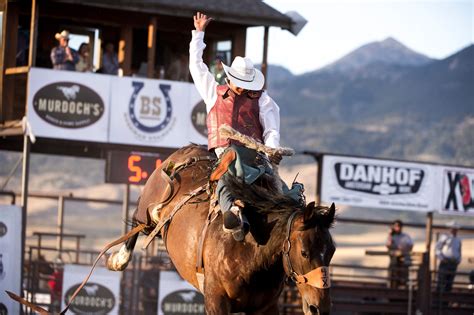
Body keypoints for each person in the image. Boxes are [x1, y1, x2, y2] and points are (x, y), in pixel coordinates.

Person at [189, 12, 282, 241]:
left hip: (256, 156)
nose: (241, 88)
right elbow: (197, 66)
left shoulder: (262, 99)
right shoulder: (214, 92)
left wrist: (271, 151)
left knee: (280, 191)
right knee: (228, 171)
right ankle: (232, 210)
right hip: (226, 153)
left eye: (245, 84)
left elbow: (271, 130)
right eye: (238, 83)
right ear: (229, 78)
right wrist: (199, 34)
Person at [386, 220, 413, 288]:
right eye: (396, 226)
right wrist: (390, 235)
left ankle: (403, 287)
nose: (398, 228)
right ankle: (392, 287)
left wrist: (402, 248)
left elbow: (410, 245)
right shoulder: (392, 236)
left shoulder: (405, 236)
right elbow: (388, 245)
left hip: (403, 259)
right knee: (393, 274)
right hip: (394, 260)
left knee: (403, 276)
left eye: (399, 226)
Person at [435, 221, 462, 293]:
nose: (454, 230)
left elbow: (459, 250)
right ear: (450, 229)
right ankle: (438, 301)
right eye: (453, 228)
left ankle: (445, 302)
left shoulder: (458, 239)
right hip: (445, 262)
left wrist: (458, 260)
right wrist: (442, 258)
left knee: (449, 283)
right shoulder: (445, 237)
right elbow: (437, 248)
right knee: (442, 281)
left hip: (453, 263)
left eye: (456, 228)